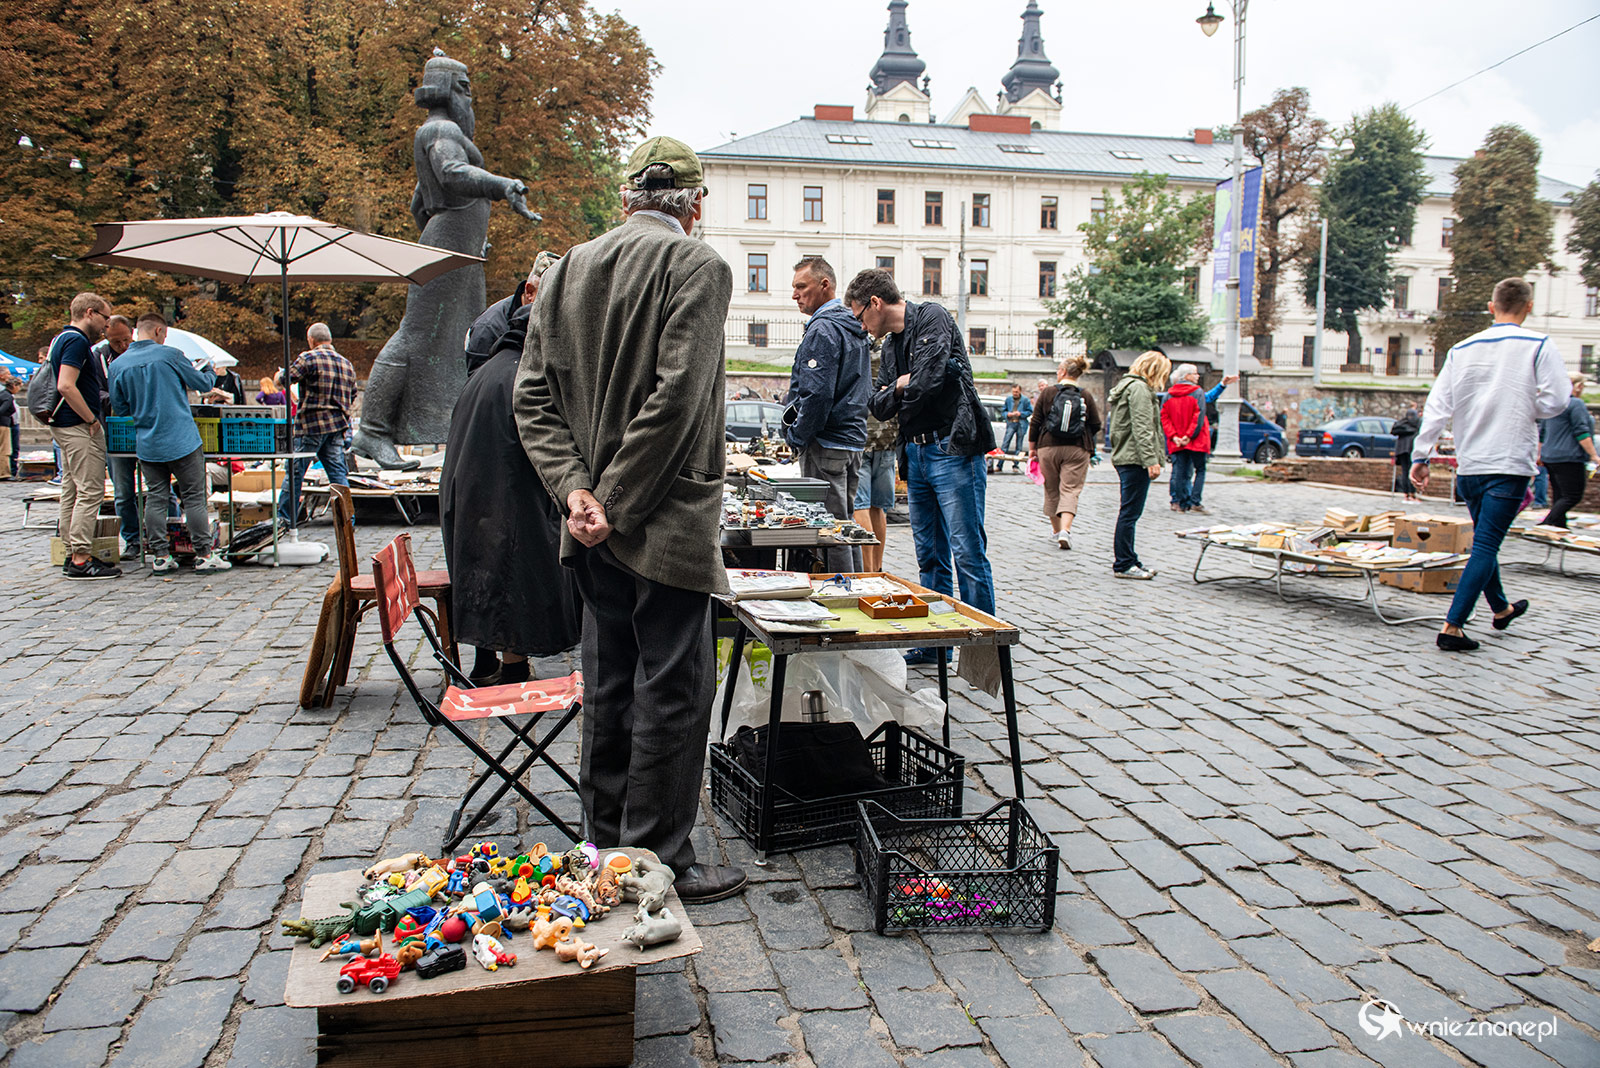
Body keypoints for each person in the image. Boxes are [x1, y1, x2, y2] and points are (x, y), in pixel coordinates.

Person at [514, 135, 745, 904]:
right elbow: (678, 397)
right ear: (696, 205)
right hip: (661, 521)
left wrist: (578, 493)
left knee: (610, 682)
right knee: (672, 688)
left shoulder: (571, 266)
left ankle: (605, 843)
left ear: (626, 200)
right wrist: (611, 503)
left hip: (589, 523)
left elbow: (533, 398)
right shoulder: (698, 265)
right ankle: (654, 860)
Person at [352, 51, 538, 470]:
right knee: (416, 335)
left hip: (457, 250)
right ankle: (373, 431)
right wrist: (500, 185)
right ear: (453, 91)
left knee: (460, 341)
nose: (470, 101)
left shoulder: (436, 130)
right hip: (450, 249)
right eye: (466, 90)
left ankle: (446, 427)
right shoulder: (442, 129)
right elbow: (453, 173)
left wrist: (458, 235)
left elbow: (420, 202)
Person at [1411, 277, 1571, 652]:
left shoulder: (1462, 348)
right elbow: (1559, 400)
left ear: (1490, 306)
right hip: (1508, 461)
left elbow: (1437, 408)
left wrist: (1422, 456)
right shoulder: (1539, 345)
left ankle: (1501, 609)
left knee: (1486, 539)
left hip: (1469, 463)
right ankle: (1453, 626)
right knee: (1485, 545)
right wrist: (1527, 407)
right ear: (1528, 307)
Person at [443, 251, 578, 686]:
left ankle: (507, 665)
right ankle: (507, 669)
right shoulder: (522, 372)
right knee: (517, 563)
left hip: (482, 504)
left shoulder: (498, 364)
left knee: (505, 564)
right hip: (499, 504)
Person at [849, 267, 996, 666]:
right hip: (914, 453)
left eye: (860, 316)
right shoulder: (894, 345)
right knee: (929, 555)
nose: (861, 327)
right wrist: (899, 386)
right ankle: (937, 642)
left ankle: (984, 648)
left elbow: (928, 382)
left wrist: (897, 387)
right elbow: (876, 404)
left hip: (952, 448)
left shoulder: (932, 317)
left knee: (967, 551)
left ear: (875, 303)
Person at [108, 313, 233, 573]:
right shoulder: (171, 355)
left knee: (155, 498)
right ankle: (204, 554)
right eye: (164, 334)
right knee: (194, 498)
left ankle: (161, 557)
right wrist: (208, 368)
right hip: (182, 440)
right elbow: (203, 383)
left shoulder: (118, 365)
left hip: (147, 442)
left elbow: (119, 409)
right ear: (158, 331)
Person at [783, 255, 869, 572]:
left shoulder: (824, 329)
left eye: (801, 287)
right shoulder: (852, 325)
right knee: (845, 525)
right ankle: (857, 588)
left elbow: (817, 394)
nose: (795, 294)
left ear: (824, 285)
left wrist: (796, 435)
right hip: (850, 441)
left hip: (827, 442)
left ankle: (842, 599)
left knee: (828, 529)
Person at [49, 292, 121, 579]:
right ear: (89, 313)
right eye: (105, 317)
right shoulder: (76, 341)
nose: (106, 326)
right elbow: (66, 385)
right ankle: (80, 556)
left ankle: (71, 551)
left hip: (65, 425)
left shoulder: (61, 338)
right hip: (77, 425)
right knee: (90, 489)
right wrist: (91, 419)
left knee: (72, 488)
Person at [274, 323, 355, 528]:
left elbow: (286, 378)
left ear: (311, 340)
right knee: (337, 475)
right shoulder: (346, 364)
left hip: (311, 426)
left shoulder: (309, 358)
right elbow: (352, 394)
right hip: (337, 427)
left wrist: (278, 375)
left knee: (295, 473)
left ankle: (285, 519)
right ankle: (347, 519)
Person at [1106, 350, 1170, 579]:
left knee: (1130, 512)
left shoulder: (1129, 386)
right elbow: (1142, 427)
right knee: (1130, 513)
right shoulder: (1140, 389)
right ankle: (1123, 563)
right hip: (1134, 458)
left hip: (1128, 456)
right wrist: (1151, 460)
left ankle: (1129, 558)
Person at [1029, 354, 1101, 550]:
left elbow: (1035, 421)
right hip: (1077, 448)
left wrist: (1032, 448)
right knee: (1070, 490)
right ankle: (1065, 531)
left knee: (1052, 489)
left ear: (1062, 372)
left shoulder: (1048, 393)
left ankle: (1055, 531)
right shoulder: (1085, 394)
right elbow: (1095, 424)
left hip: (1048, 447)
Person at [93, 315, 149, 558]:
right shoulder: (98, 358)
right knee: (123, 492)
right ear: (106, 338)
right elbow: (95, 392)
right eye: (117, 342)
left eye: (126, 339)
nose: (123, 346)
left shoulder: (143, 354)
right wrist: (120, 400)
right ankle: (133, 539)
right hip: (115, 431)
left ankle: (168, 534)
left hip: (147, 430)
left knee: (161, 488)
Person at [465, 253, 559, 378]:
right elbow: (478, 382)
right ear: (529, 292)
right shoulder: (488, 327)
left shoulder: (547, 318)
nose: (557, 305)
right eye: (551, 297)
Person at [852, 344, 898, 572]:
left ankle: (867, 572)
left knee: (859, 506)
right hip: (888, 434)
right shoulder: (890, 347)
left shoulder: (856, 344)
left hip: (861, 436)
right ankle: (878, 569)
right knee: (878, 508)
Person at [1538, 374, 1597, 528]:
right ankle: (1548, 522)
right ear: (1577, 386)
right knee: (1573, 495)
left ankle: (1558, 526)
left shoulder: (1552, 404)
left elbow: (1542, 432)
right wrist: (1594, 455)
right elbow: (1582, 432)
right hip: (1569, 456)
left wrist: (1539, 453)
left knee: (1559, 494)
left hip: (1550, 455)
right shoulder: (1575, 404)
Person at [1161, 363, 1211, 515]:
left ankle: (1179, 502)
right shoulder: (1197, 392)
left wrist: (1174, 436)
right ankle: (1194, 501)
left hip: (1176, 440)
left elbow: (1164, 417)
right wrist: (1189, 436)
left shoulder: (1168, 395)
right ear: (1187, 376)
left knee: (1179, 471)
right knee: (1200, 470)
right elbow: (1198, 416)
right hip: (1196, 439)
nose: (1198, 376)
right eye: (1195, 373)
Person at [991, 383, 1031, 474]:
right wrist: (1007, 415)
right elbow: (1003, 411)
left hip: (1020, 424)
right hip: (1011, 423)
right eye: (1013, 392)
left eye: (1016, 392)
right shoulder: (1009, 400)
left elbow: (1029, 411)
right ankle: (999, 465)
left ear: (1020, 391)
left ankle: (1015, 465)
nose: (1015, 393)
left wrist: (1021, 414)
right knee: (1005, 445)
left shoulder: (1025, 400)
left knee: (1019, 446)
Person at [1390, 406, 1421, 501]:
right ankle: (1411, 494)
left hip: (1402, 450)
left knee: (1405, 472)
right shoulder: (1417, 424)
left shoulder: (1401, 423)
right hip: (1411, 450)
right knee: (1411, 472)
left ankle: (1406, 494)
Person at [1, 374, 18, 479]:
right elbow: (3, 410)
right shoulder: (8, 397)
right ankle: (4, 473)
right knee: (4, 449)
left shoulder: (2, 394)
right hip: (3, 424)